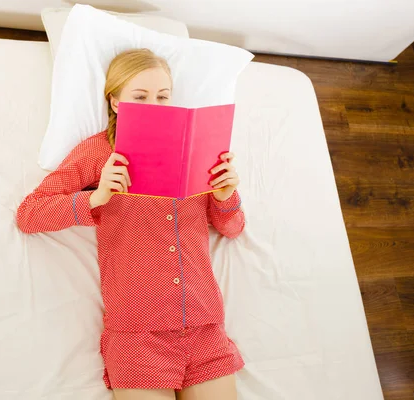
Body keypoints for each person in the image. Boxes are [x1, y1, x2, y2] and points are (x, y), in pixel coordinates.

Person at [17, 48, 245, 400]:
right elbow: (29, 214)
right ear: (116, 101)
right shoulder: (97, 153)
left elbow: (232, 228)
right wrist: (96, 198)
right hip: (137, 334)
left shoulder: (197, 148)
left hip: (203, 325)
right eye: (140, 97)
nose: (154, 105)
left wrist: (225, 194)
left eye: (163, 96)